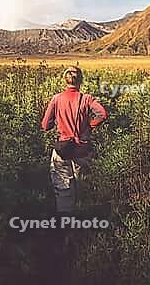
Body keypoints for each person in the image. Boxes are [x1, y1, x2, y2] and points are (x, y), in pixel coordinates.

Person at [41, 66, 108, 212]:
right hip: (82, 151)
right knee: (85, 191)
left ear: (65, 80)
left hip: (62, 152)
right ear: (81, 81)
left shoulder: (56, 99)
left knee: (64, 194)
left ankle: (66, 229)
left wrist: (57, 122)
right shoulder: (87, 99)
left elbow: (45, 125)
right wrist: (89, 127)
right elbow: (102, 114)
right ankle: (87, 227)